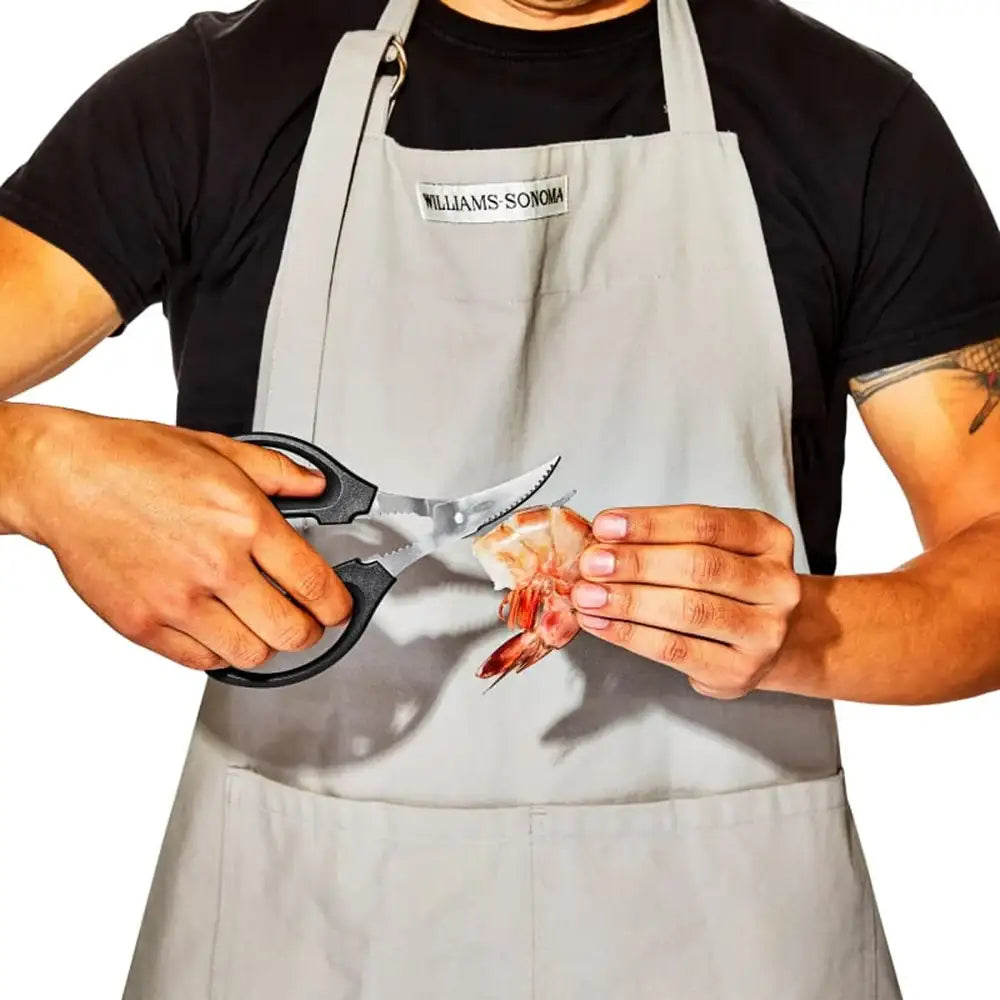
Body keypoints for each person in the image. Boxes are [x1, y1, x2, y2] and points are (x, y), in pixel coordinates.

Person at [2, 0, 999, 994]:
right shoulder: (217, 97)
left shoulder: (848, 116)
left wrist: (807, 630)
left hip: (723, 927)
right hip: (303, 925)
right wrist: (38, 463)